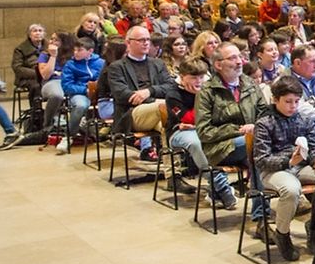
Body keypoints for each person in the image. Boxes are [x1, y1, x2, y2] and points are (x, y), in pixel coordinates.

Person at [195, 42, 270, 223]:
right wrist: (238, 131)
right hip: (219, 149)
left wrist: (255, 128)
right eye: (233, 58)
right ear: (218, 64)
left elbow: (265, 114)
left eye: (240, 57)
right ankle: (261, 215)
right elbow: (204, 131)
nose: (239, 62)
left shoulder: (250, 84)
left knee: (258, 150)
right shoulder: (207, 92)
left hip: (251, 143)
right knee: (255, 146)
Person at [254, 76, 315, 261]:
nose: (293, 106)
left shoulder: (304, 120)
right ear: (275, 100)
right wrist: (288, 162)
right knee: (291, 190)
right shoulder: (264, 123)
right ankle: (282, 233)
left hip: (301, 166)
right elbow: (261, 160)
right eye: (288, 102)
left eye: (296, 101)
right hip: (273, 171)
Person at [164, 57, 237, 207]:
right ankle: (222, 186)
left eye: (201, 77)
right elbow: (188, 118)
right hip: (179, 133)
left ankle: (215, 192)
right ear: (182, 77)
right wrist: (200, 98)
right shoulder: (173, 94)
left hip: (205, 128)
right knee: (198, 142)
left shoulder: (211, 89)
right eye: (193, 77)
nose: (198, 81)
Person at [107, 26, 178, 160]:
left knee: (168, 125)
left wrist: (148, 91)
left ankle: (173, 172)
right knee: (165, 109)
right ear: (128, 43)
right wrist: (154, 100)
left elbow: (170, 87)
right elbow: (121, 95)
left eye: (147, 40)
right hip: (131, 114)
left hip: (157, 110)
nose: (146, 43)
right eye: (141, 40)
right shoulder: (116, 67)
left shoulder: (158, 64)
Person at [59, 36, 103, 146]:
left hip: (99, 93)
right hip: (80, 93)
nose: (75, 53)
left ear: (90, 51)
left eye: (79, 50)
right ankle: (68, 136)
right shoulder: (70, 65)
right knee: (80, 106)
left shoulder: (101, 63)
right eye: (75, 50)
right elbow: (67, 86)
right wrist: (85, 90)